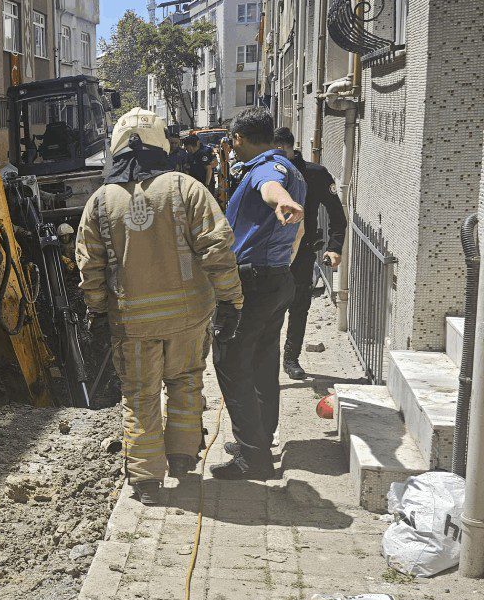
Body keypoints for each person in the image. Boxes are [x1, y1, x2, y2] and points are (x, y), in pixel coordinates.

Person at [76, 108, 244, 505]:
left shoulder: (100, 202)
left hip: (132, 325)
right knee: (186, 382)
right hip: (188, 319)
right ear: (161, 144)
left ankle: (146, 482)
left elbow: (90, 266)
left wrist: (97, 312)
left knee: (139, 397)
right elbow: (217, 249)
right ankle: (183, 458)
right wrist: (231, 300)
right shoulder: (186, 189)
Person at [210, 108, 306, 480]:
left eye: (233, 142)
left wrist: (280, 201)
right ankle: (259, 438)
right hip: (276, 279)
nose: (232, 150)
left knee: (230, 362)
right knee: (263, 361)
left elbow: (270, 187)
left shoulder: (266, 170)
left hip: (252, 283)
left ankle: (253, 458)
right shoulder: (288, 165)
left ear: (239, 138)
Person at [273, 128, 347, 381]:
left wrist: (335, 247)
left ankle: (291, 358)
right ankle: (266, 359)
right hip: (269, 255)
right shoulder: (265, 174)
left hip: (302, 253)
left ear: (290, 148)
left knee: (300, 306)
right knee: (268, 308)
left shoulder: (314, 174)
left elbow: (338, 215)